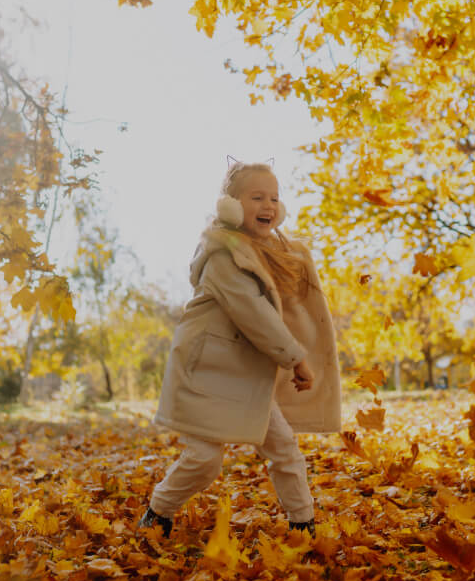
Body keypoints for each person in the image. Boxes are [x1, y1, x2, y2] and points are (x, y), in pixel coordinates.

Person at [139, 161, 341, 538]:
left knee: (285, 450)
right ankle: (158, 511)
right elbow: (255, 314)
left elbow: (281, 309)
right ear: (230, 205)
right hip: (209, 375)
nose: (268, 205)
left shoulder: (267, 252)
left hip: (248, 381)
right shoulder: (222, 256)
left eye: (275, 198)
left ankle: (304, 524)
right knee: (204, 460)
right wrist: (296, 358)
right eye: (257, 197)